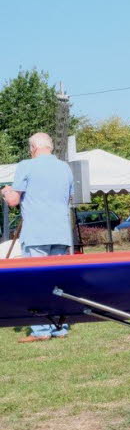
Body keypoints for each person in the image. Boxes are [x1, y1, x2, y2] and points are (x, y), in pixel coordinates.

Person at [1, 133, 74, 342]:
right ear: (50, 147)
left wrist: (5, 192)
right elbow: (68, 196)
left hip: (36, 233)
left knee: (36, 281)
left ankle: (41, 331)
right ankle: (60, 327)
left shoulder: (26, 165)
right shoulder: (64, 168)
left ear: (33, 148)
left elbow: (14, 200)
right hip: (60, 232)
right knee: (58, 282)